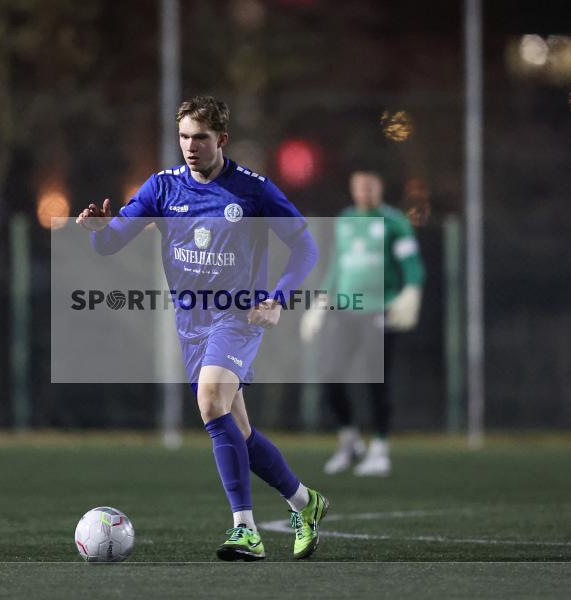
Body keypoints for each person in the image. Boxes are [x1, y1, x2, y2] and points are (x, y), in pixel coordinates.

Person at [76, 96, 328, 561]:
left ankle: (245, 531)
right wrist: (97, 231)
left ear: (222, 140)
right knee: (238, 432)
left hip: (238, 316)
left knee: (210, 402)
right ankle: (304, 503)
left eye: (201, 138)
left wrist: (277, 298)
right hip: (190, 321)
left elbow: (305, 248)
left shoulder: (253, 190)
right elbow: (112, 244)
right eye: (184, 137)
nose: (191, 146)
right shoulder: (161, 188)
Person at [301, 170, 425, 476]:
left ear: (379, 187)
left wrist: (411, 290)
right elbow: (336, 265)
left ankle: (380, 449)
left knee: (375, 380)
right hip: (345, 310)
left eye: (370, 186)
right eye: (359, 187)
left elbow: (411, 264)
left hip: (379, 310)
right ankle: (350, 441)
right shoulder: (345, 221)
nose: (364, 192)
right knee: (330, 374)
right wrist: (320, 303)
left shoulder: (394, 221)